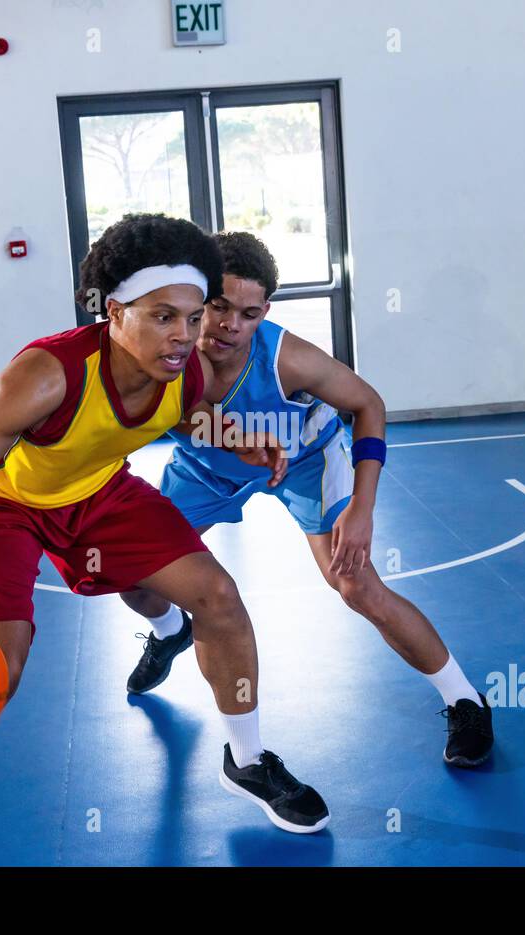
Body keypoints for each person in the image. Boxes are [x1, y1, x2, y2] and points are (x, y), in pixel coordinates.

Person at [0, 215, 331, 867]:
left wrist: (236, 437)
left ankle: (245, 759)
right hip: (4, 504)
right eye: (163, 316)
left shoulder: (184, 372)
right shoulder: (44, 377)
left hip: (100, 492)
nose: (184, 335)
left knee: (218, 596)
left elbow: (186, 414)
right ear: (114, 311)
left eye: (192, 318)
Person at [122, 232, 494, 768]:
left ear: (265, 312)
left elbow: (368, 404)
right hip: (204, 469)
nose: (230, 326)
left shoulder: (288, 359)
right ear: (197, 299)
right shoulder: (162, 353)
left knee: (356, 584)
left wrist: (362, 509)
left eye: (249, 314)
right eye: (220, 307)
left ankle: (465, 699)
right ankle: (169, 631)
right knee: (131, 572)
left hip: (304, 463)